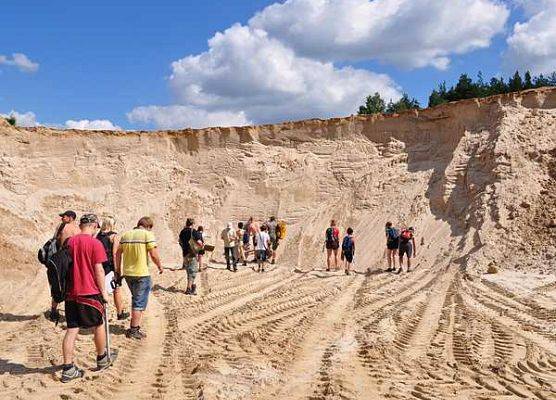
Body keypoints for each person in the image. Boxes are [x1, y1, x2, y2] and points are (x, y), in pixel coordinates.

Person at [61, 214, 111, 382]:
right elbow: (99, 270)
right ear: (94, 225)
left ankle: (68, 368)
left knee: (72, 329)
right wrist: (104, 293)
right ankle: (102, 358)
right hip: (89, 292)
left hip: (70, 293)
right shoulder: (95, 243)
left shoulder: (69, 242)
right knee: (98, 325)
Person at [116, 217, 163, 339]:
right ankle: (134, 329)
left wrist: (118, 270)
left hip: (128, 273)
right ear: (148, 226)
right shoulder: (147, 235)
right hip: (141, 273)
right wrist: (160, 266)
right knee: (139, 302)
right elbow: (153, 254)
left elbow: (118, 253)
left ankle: (134, 327)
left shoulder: (126, 235)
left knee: (136, 298)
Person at [49, 210, 81, 322]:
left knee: (58, 283)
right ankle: (72, 311)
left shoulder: (62, 227)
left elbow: (55, 240)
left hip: (61, 257)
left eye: (64, 216)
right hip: (73, 259)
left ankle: (53, 310)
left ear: (71, 217)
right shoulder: (78, 230)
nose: (62, 218)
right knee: (71, 284)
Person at [96, 216, 128, 320]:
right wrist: (117, 270)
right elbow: (115, 254)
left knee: (100, 290)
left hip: (99, 265)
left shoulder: (98, 236)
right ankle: (120, 313)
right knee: (117, 288)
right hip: (109, 266)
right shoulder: (114, 236)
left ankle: (100, 314)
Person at [178, 218, 203, 295]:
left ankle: (193, 286)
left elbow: (179, 241)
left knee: (189, 271)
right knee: (193, 271)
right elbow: (199, 243)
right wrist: (201, 246)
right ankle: (188, 289)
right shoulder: (193, 231)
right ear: (192, 224)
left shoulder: (182, 231)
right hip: (192, 254)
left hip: (185, 253)